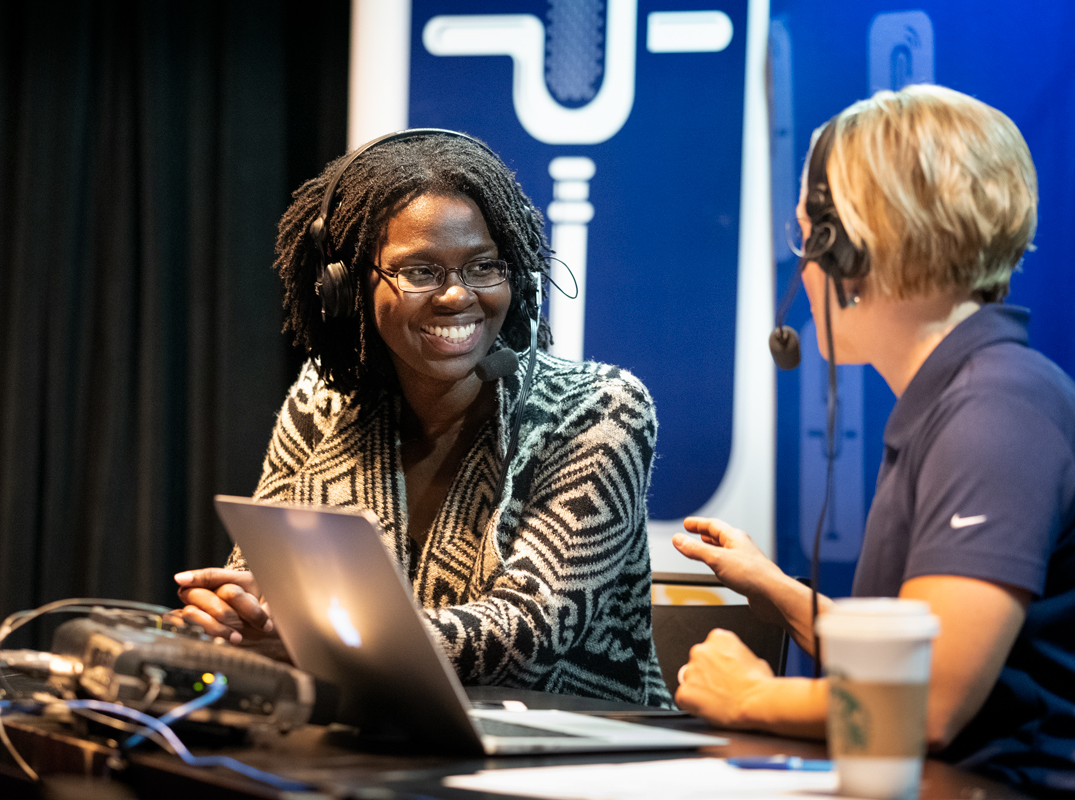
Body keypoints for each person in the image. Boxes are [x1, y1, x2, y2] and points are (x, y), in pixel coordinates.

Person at [173, 130, 672, 707]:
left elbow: (530, 633)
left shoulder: (599, 410)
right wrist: (238, 613)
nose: (457, 296)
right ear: (345, 285)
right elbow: (267, 582)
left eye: (485, 266)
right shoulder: (323, 400)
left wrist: (316, 633)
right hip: (380, 737)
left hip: (581, 759)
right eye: (420, 272)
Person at [671, 85, 1074, 796]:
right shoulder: (967, 395)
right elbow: (920, 651)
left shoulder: (996, 408)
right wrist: (780, 592)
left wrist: (749, 697)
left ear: (852, 245)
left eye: (808, 236)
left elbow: (927, 705)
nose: (803, 265)